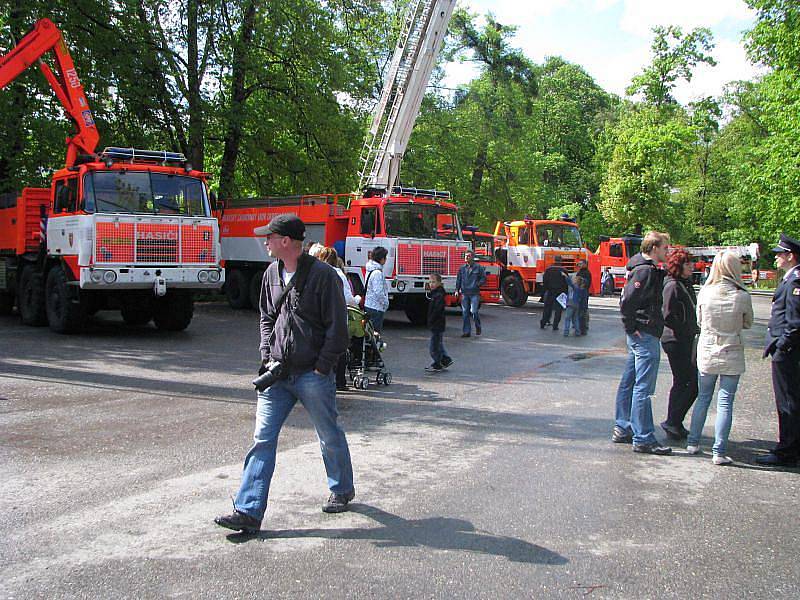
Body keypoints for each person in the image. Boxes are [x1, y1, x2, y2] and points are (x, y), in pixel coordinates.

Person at [214, 214, 354, 534]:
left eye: (270, 237)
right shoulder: (270, 274)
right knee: (262, 439)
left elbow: (338, 328)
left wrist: (322, 366)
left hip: (312, 375)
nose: (265, 242)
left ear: (286, 241)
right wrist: (266, 356)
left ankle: (342, 488)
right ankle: (248, 511)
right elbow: (266, 318)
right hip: (277, 374)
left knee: (328, 434)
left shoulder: (324, 277)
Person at [686, 251, 753, 465]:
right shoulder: (742, 295)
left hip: (707, 350)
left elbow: (699, 320)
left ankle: (693, 442)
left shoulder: (705, 293)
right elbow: (748, 323)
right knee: (725, 402)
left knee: (703, 397)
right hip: (731, 350)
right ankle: (719, 451)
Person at [613, 231, 672, 455]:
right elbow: (627, 301)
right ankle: (643, 437)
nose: (668, 252)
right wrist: (631, 327)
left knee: (630, 382)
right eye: (665, 248)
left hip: (642, 333)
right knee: (643, 388)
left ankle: (623, 427)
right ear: (654, 248)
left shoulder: (644, 269)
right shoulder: (645, 271)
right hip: (644, 334)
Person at [756, 234, 800, 467]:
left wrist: (782, 344)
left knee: (787, 401)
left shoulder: (794, 281)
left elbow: (794, 322)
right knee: (790, 399)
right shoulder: (791, 278)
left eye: (780, 254)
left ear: (790, 256)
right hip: (786, 348)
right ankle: (791, 446)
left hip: (788, 350)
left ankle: (787, 451)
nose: (776, 258)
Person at [659, 249, 700, 440]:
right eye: (687, 263)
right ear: (678, 266)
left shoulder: (683, 284)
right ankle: (673, 421)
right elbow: (668, 315)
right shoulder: (673, 286)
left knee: (682, 382)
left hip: (681, 338)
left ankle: (674, 421)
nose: (692, 266)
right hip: (676, 340)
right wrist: (686, 329)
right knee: (691, 383)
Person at [318, 247, 361, 390]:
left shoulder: (317, 273)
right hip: (337, 315)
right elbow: (348, 298)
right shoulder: (338, 274)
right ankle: (340, 381)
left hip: (320, 316)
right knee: (339, 348)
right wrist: (358, 299)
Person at [425, 273, 453, 372]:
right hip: (437, 324)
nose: (431, 284)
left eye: (433, 282)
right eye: (430, 282)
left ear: (439, 283)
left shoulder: (438, 295)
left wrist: (431, 320)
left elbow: (437, 310)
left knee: (434, 346)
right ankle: (445, 359)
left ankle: (437, 363)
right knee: (439, 344)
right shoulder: (434, 294)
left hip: (437, 323)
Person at [455, 250, 486, 337]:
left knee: (474, 311)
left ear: (472, 257)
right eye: (465, 256)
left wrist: (478, 284)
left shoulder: (478, 267)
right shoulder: (462, 268)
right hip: (464, 293)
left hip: (474, 293)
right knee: (465, 313)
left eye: (468, 256)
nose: (466, 257)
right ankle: (466, 332)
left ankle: (478, 326)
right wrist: (457, 290)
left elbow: (483, 278)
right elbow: (458, 280)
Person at [364, 246, 389, 333]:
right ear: (381, 259)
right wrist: (385, 303)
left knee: (369, 334)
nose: (386, 260)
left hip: (369, 305)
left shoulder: (370, 269)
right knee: (375, 334)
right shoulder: (377, 273)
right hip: (376, 307)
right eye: (385, 257)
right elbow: (378, 292)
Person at [540, 258, 568, 331]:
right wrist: (565, 293)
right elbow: (566, 283)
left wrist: (543, 292)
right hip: (560, 293)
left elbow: (545, 281)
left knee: (547, 308)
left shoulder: (548, 270)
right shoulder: (564, 270)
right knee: (558, 310)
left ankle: (543, 322)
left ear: (554, 261)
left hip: (550, 291)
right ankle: (555, 325)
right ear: (561, 261)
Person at [562, 273, 588, 337]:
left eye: (574, 279)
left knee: (567, 318)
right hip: (576, 305)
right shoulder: (580, 289)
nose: (573, 280)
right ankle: (577, 332)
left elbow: (569, 283)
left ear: (577, 282)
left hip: (571, 304)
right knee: (575, 319)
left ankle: (566, 332)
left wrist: (565, 276)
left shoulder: (575, 287)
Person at [576, 259, 592, 334]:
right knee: (580, 310)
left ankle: (584, 326)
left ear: (585, 264)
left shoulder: (587, 273)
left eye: (580, 263)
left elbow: (587, 284)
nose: (579, 265)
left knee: (583, 310)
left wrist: (581, 282)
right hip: (580, 293)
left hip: (583, 293)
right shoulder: (580, 272)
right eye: (578, 264)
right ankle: (580, 326)